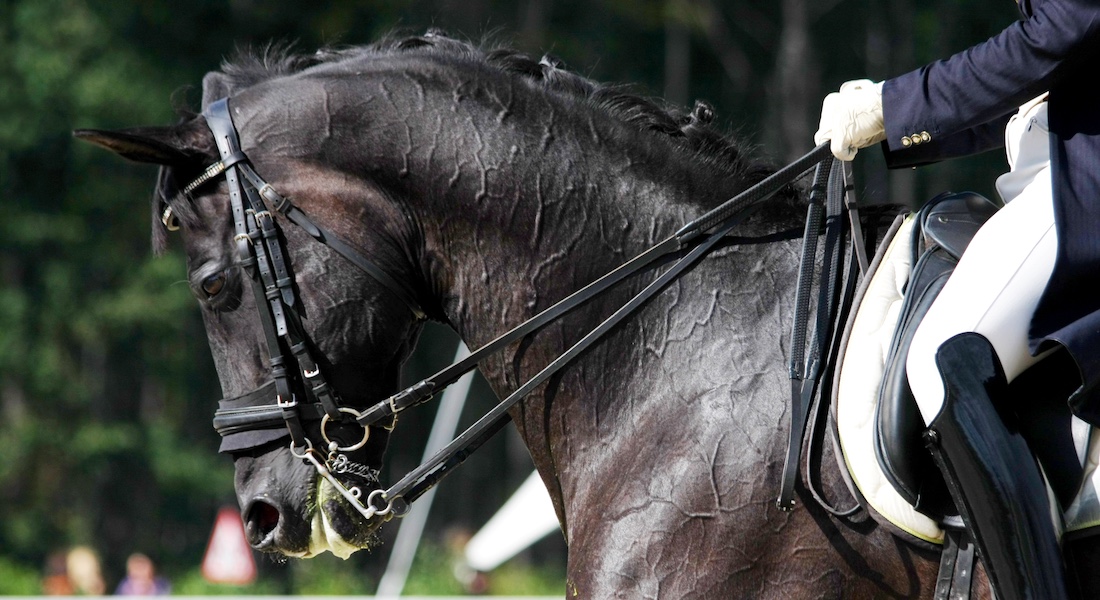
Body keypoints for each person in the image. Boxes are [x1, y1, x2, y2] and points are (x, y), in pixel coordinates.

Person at [814, 1, 1100, 599]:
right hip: (1063, 163)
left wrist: (893, 106)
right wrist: (892, 118)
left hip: (1084, 179)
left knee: (946, 354)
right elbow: (1055, 67)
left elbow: (1067, 27)